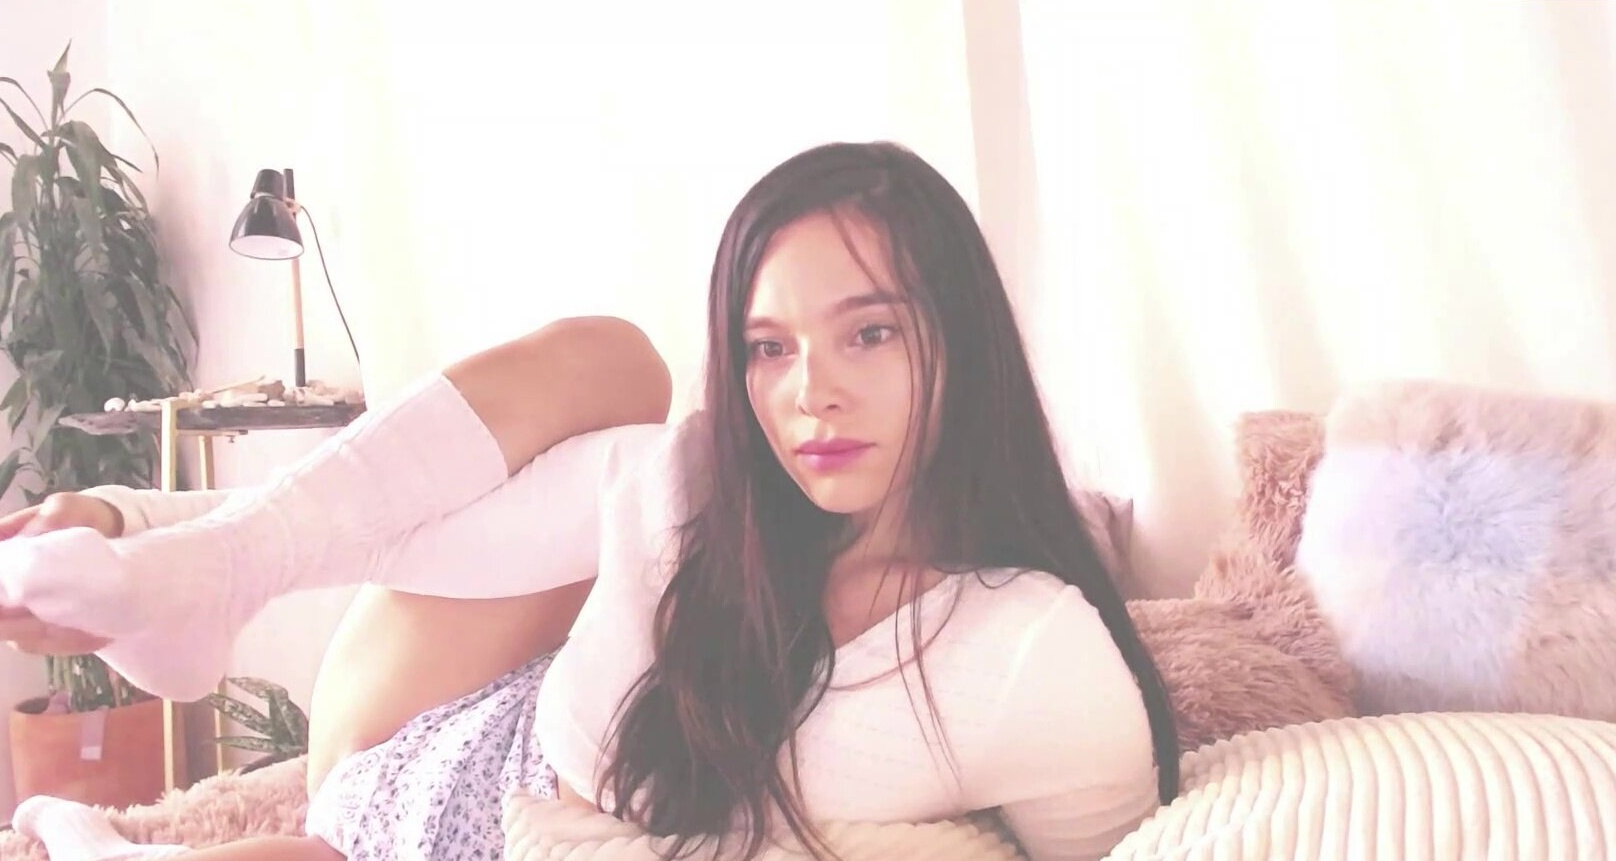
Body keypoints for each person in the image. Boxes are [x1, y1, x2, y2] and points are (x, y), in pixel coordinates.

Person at [0, 141, 1180, 861]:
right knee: (616, 365)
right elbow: (415, 538)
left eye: (868, 333)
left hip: (418, 840)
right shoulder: (704, 486)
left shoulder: (1030, 654)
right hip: (416, 733)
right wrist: (126, 529)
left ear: (962, 341)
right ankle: (205, 574)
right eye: (768, 348)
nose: (809, 393)